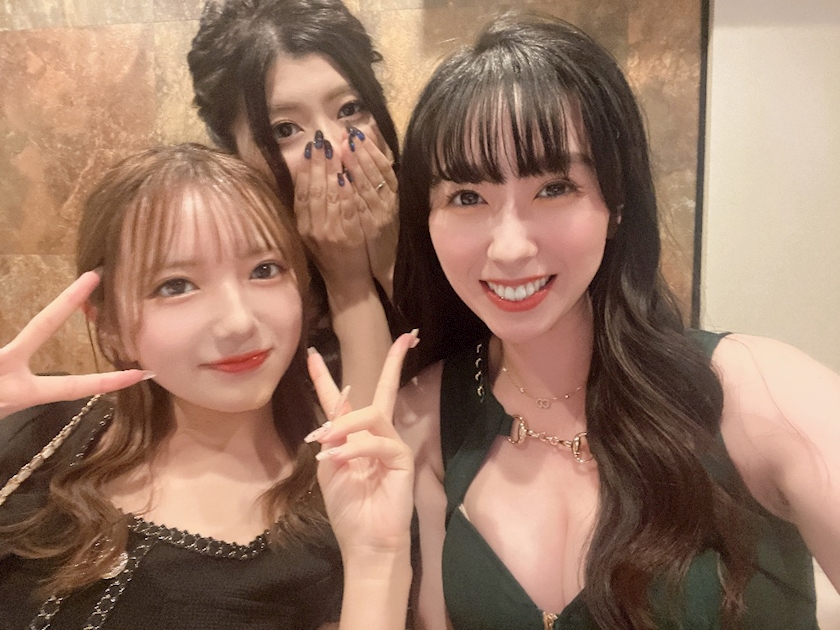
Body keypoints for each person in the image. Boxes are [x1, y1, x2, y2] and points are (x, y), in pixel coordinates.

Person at [393, 12, 840, 630]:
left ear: (618, 203)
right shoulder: (419, 421)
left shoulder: (759, 392)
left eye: (554, 187)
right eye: (467, 197)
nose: (510, 247)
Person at [0, 144, 412, 629]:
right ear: (107, 324)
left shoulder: (347, 505)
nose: (239, 322)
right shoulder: (34, 427)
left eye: (264, 270)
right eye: (175, 285)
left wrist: (376, 560)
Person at [188, 0, 401, 409]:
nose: (334, 145)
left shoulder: (447, 215)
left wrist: (390, 260)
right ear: (233, 152)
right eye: (285, 129)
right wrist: (348, 283)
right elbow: (366, 440)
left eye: (350, 109)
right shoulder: (239, 275)